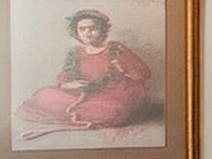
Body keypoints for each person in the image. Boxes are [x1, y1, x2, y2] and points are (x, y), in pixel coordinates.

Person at [20, 8, 154, 129]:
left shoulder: (115, 49)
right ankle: (87, 111)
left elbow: (144, 74)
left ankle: (92, 112)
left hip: (114, 94)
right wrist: (71, 84)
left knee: (114, 111)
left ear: (102, 30)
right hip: (83, 94)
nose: (87, 33)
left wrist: (123, 68)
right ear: (76, 32)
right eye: (82, 29)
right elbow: (64, 80)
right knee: (44, 94)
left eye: (92, 28)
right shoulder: (75, 53)